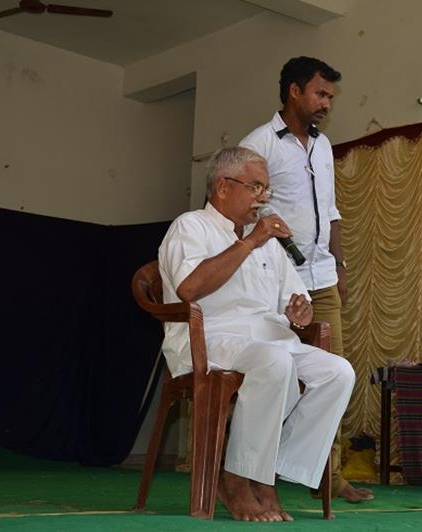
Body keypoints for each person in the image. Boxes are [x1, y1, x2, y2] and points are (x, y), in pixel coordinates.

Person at [157, 147, 355, 522]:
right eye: (255, 187)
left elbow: (295, 301)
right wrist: (249, 242)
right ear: (223, 187)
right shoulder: (191, 226)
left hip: (271, 337)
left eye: (266, 189)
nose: (263, 198)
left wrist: (300, 312)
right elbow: (189, 288)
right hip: (210, 337)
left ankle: (265, 472)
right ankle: (238, 478)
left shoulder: (266, 241)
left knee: (337, 372)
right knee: (275, 361)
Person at [239, 56, 373, 503]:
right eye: (320, 93)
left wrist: (339, 265)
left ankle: (327, 476)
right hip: (275, 281)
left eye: (330, 96)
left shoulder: (323, 145)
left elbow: (330, 211)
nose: (326, 103)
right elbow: (244, 212)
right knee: (272, 373)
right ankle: (253, 470)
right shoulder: (259, 144)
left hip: (321, 276)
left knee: (334, 374)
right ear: (294, 91)